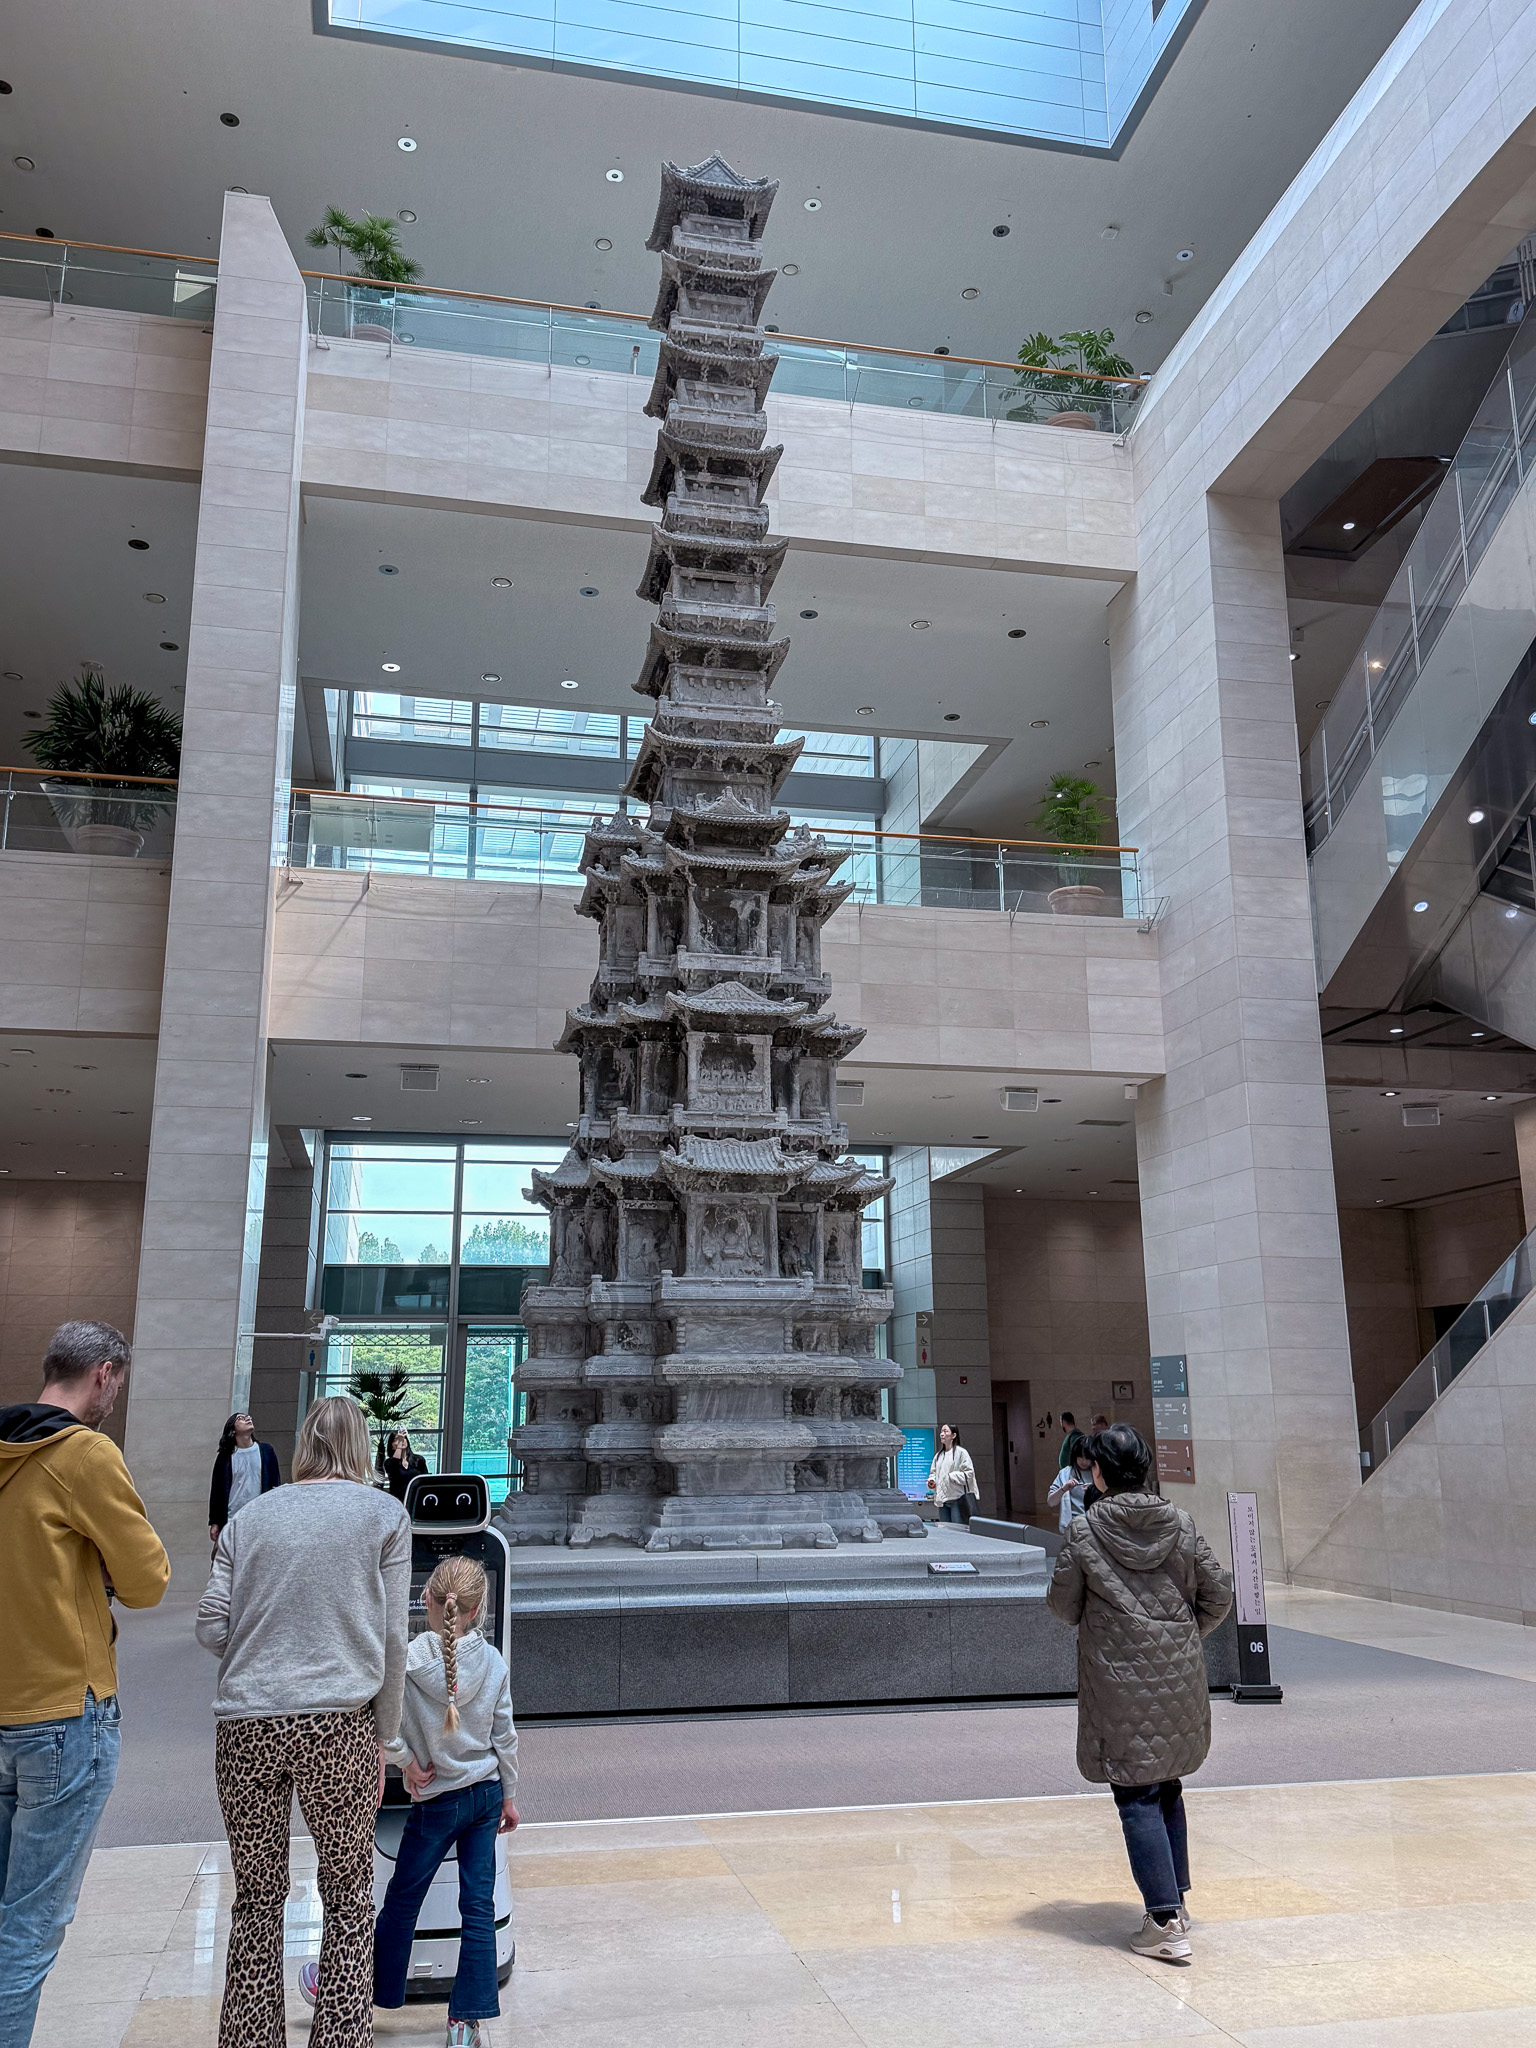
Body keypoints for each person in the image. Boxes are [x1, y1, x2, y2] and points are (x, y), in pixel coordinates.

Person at [197, 1395, 410, 2048]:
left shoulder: (251, 1517)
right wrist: (386, 1737)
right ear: (361, 1447)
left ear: (304, 1444)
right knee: (347, 1897)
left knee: (257, 1899)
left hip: (246, 1727)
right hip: (338, 1727)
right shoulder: (384, 1514)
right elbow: (394, 1640)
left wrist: (267, 1646)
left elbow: (210, 1626)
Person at [0, 1320, 170, 2048]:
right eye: (118, 1385)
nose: (115, 1398)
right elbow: (148, 1580)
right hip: (66, 1715)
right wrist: (99, 1560)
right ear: (103, 1374)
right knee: (29, 1927)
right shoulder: (85, 1453)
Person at [302, 1556, 519, 2048]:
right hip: (485, 1795)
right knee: (478, 1905)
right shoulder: (493, 1663)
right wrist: (509, 1796)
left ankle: (358, 1990)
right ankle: (465, 2024)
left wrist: (406, 1763)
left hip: (436, 1799)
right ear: (478, 1610)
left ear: (425, 1600)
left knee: (402, 1899)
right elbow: (505, 1738)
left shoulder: (405, 1660)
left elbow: (382, 1723)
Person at [1046, 1423, 1232, 1966]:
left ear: (1100, 1472)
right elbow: (1219, 1594)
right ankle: (1176, 1902)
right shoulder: (1181, 1522)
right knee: (1166, 1783)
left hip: (1118, 1678)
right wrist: (1182, 1636)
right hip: (1178, 1675)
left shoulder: (1085, 1531)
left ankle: (1164, 1920)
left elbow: (1062, 1606)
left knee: (1136, 1793)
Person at [208, 1411, 281, 1542]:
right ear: (232, 1430)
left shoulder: (266, 1451)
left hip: (259, 1517)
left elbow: (275, 1484)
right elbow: (217, 1490)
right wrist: (215, 1522)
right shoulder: (225, 1456)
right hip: (232, 1518)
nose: (247, 1419)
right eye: (241, 1419)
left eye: (248, 1417)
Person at [926, 1422, 979, 1523]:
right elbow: (933, 1473)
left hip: (958, 1499)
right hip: (942, 1501)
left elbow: (969, 1473)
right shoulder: (938, 1456)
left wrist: (952, 1476)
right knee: (946, 1529)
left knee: (957, 1528)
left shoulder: (961, 1453)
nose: (942, 1434)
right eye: (941, 1431)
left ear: (953, 1435)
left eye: (945, 1431)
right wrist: (932, 1481)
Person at [1046, 1431, 1095, 1533]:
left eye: (1087, 1458)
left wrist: (1095, 1490)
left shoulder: (1099, 1472)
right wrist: (1063, 1489)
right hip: (1072, 1527)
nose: (1084, 1461)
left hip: (1095, 1525)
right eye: (1080, 1456)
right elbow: (1051, 1502)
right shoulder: (1065, 1473)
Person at [377, 1428, 427, 1503]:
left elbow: (425, 1480)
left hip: (416, 1500)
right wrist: (399, 1445)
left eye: (403, 1438)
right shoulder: (388, 1463)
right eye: (396, 1439)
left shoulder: (418, 1460)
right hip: (398, 1501)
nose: (401, 1440)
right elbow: (395, 1466)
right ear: (391, 1446)